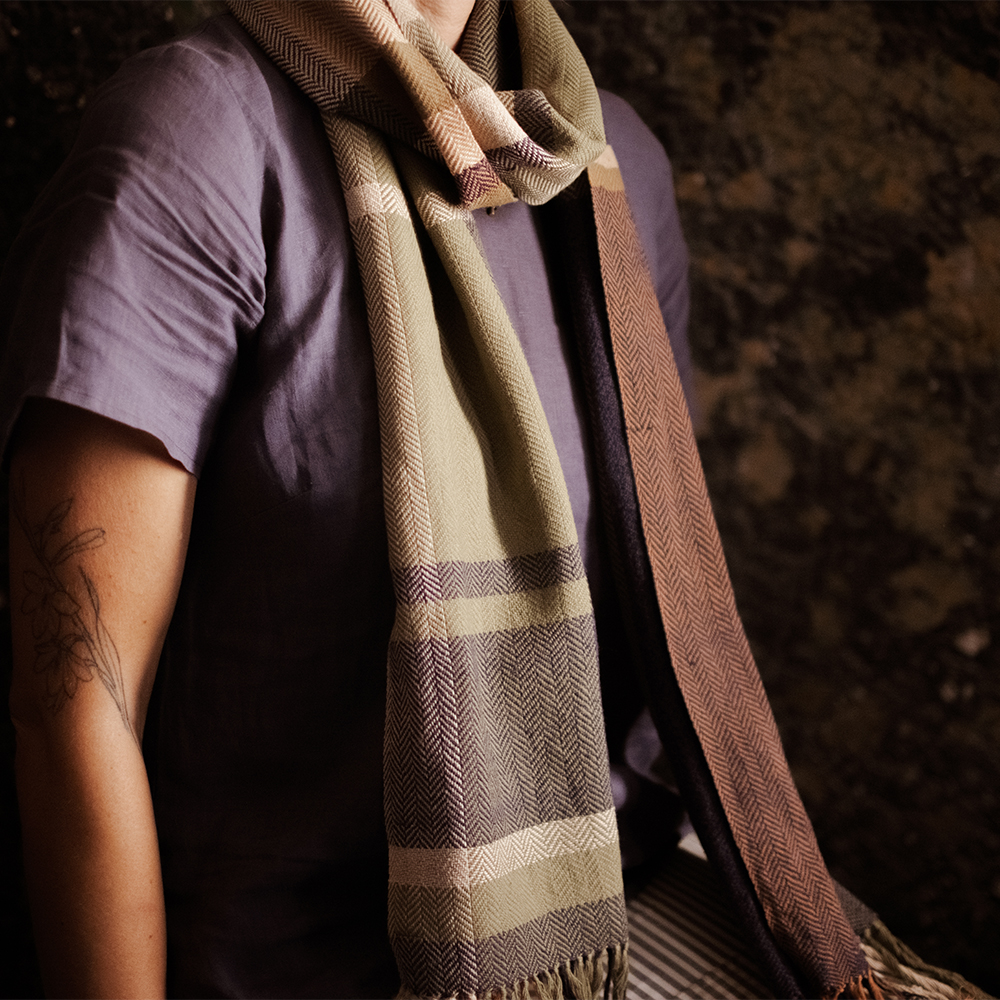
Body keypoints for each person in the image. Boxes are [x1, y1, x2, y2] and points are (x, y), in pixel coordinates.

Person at [2, 1, 891, 998]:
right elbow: (74, 702)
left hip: (605, 903)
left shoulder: (605, 161)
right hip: (300, 964)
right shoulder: (199, 134)